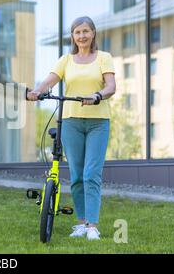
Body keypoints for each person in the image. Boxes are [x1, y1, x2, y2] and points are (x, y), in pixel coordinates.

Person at [27, 16, 116, 240]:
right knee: (76, 175)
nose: (82, 36)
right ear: (73, 36)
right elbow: (49, 81)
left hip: (98, 122)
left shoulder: (104, 58)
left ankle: (92, 225)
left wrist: (97, 96)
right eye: (77, 32)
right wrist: (37, 92)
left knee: (91, 174)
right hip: (71, 122)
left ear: (93, 33)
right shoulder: (66, 60)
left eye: (86, 31)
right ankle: (81, 223)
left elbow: (111, 86)